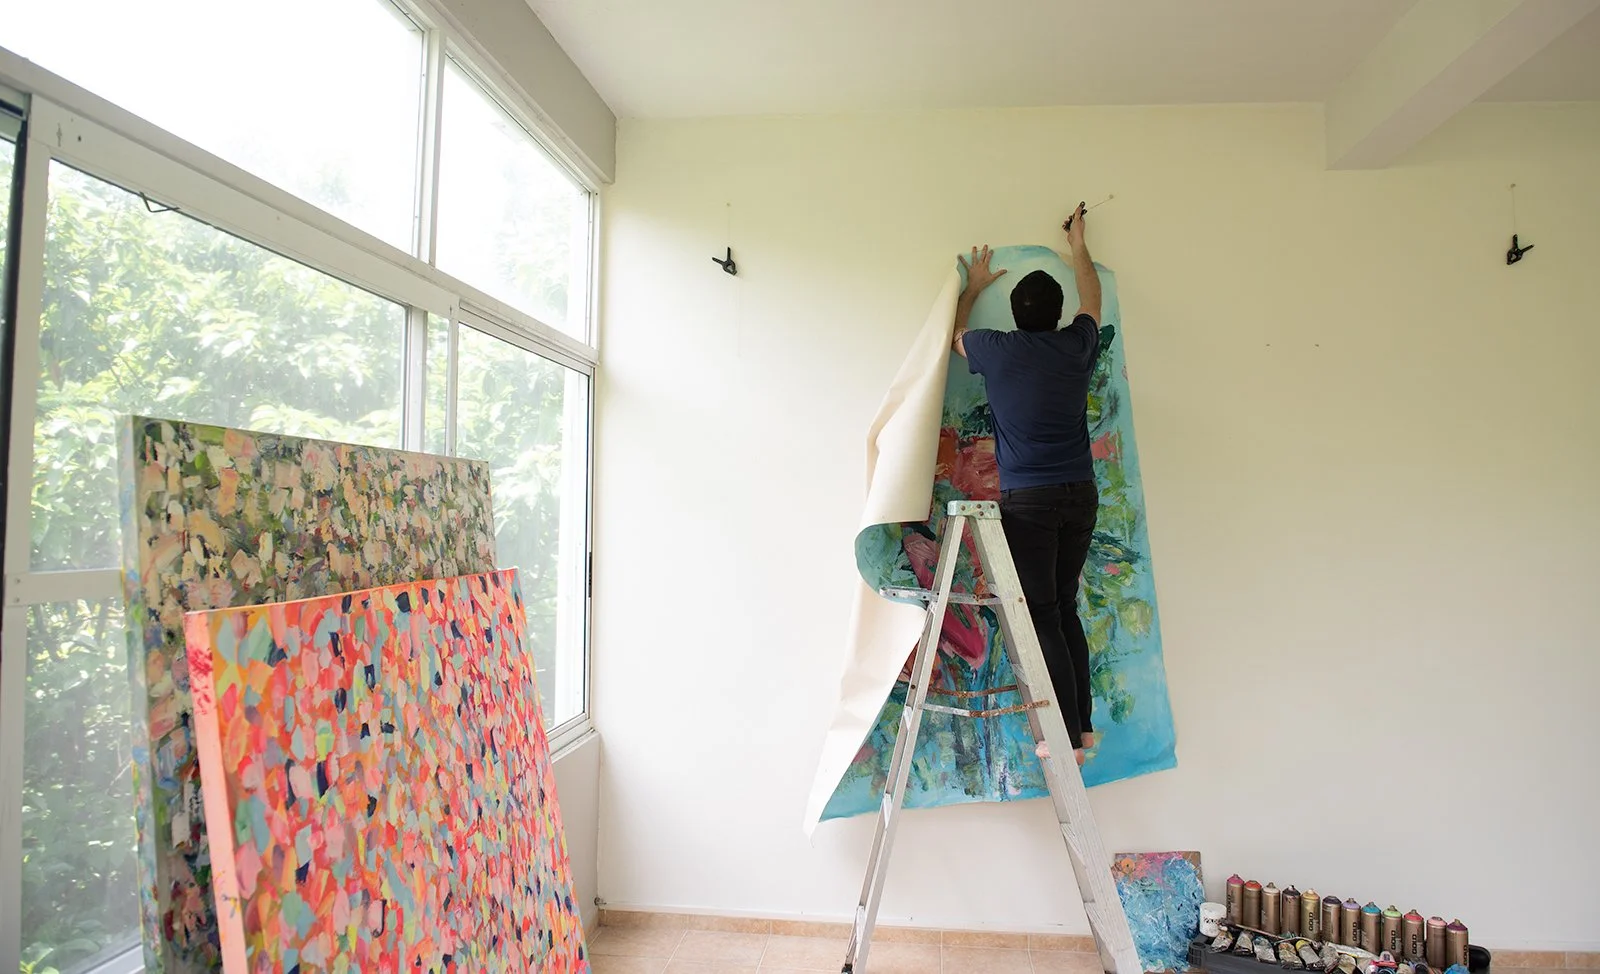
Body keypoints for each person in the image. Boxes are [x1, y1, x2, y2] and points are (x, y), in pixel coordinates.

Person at [950, 203, 1102, 767]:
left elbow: (953, 335)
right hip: (1080, 494)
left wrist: (973, 286)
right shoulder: (1077, 343)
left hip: (1030, 504)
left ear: (1014, 315)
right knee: (1064, 608)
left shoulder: (997, 348)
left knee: (1043, 614)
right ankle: (1082, 729)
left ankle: (1065, 741)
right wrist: (1078, 244)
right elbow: (1093, 300)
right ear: (1059, 314)